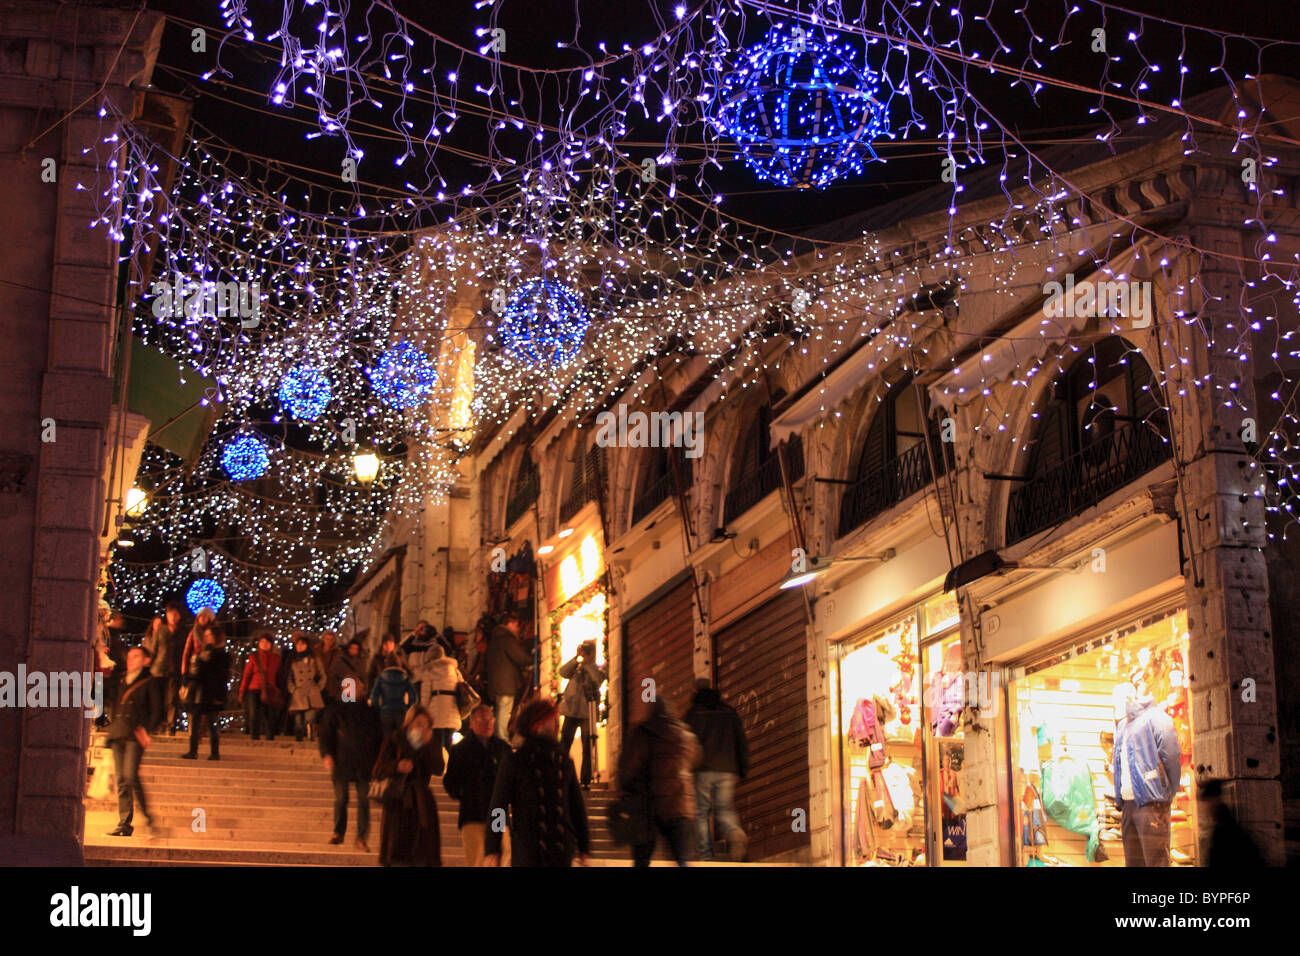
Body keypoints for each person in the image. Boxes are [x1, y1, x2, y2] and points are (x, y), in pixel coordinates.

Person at [484, 698, 589, 867]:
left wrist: (584, 845)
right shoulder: (515, 760)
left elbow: (576, 806)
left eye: (555, 720)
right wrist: (493, 846)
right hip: (529, 849)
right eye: (550, 719)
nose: (554, 725)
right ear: (535, 723)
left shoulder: (563, 760)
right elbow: (499, 807)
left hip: (559, 849)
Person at [619, 694, 701, 867]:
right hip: (680, 804)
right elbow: (695, 759)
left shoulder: (643, 732)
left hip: (649, 805)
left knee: (642, 860)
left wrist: (626, 788)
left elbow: (630, 766)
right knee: (682, 860)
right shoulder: (685, 735)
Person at [1112, 677, 1182, 867]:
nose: (1114, 704)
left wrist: (1166, 793)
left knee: (1156, 861)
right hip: (1128, 804)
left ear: (1130, 697)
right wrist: (1119, 798)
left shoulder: (1156, 718)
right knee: (1134, 863)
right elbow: (1118, 765)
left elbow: (1172, 757)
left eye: (1117, 699)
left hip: (1152, 802)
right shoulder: (1121, 727)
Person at [684, 678, 751, 861]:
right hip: (728, 769)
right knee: (725, 809)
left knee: (702, 812)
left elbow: (686, 744)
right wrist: (743, 768)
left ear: (695, 691)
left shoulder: (693, 714)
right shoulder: (729, 713)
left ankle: (705, 854)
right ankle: (734, 832)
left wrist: (684, 769)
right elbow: (741, 742)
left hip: (703, 770)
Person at [372, 706, 444, 866]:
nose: (422, 728)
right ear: (409, 723)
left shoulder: (430, 743)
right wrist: (397, 766)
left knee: (423, 851)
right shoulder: (395, 739)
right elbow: (377, 770)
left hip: (422, 803)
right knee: (398, 850)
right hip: (398, 801)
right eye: (418, 723)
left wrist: (430, 745)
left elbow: (438, 768)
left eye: (426, 725)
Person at [444, 704, 512, 866]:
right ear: (472, 723)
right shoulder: (460, 750)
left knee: (502, 851)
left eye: (490, 719)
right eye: (483, 719)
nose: (488, 723)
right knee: (477, 856)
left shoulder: (502, 749)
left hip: (497, 812)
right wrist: (464, 793)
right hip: (472, 812)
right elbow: (450, 781)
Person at [106, 647, 159, 836]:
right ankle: (124, 823)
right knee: (121, 779)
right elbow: (107, 695)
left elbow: (156, 710)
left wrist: (147, 730)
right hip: (118, 732)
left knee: (130, 775)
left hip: (135, 734)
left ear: (146, 660)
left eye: (136, 656)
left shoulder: (149, 681)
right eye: (129, 656)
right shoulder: (120, 679)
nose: (131, 660)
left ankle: (146, 813)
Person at [318, 695, 383, 851]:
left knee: (364, 801)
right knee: (341, 798)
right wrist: (327, 754)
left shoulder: (370, 711)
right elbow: (326, 733)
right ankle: (338, 832)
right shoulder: (335, 709)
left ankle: (361, 838)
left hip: (364, 764)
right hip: (341, 762)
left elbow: (378, 736)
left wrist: (379, 762)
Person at [558, 639, 605, 788]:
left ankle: (586, 780)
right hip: (571, 712)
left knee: (587, 747)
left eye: (588, 650)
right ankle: (560, 776)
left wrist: (588, 664)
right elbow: (563, 672)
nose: (586, 653)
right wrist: (576, 657)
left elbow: (597, 679)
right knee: (564, 745)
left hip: (587, 713)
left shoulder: (598, 668)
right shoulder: (576, 667)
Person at [181, 624, 229, 760]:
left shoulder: (221, 655)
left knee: (211, 723)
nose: (207, 638)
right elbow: (195, 671)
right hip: (198, 692)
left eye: (210, 635)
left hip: (211, 693)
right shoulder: (202, 652)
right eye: (205, 635)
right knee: (195, 722)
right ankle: (192, 750)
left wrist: (202, 664)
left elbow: (219, 675)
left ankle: (214, 752)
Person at [485, 612, 531, 742]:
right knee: (503, 716)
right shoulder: (506, 639)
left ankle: (496, 741)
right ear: (509, 624)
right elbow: (520, 658)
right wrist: (532, 659)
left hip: (496, 684)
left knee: (499, 714)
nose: (518, 629)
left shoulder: (495, 638)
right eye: (516, 625)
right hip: (505, 685)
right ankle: (502, 742)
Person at [141, 602, 186, 734]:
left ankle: (171, 725)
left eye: (175, 614)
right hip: (158, 669)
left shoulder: (182, 632)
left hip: (174, 669)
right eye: (170, 614)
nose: (173, 616)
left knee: (172, 699)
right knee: (158, 699)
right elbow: (154, 648)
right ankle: (158, 724)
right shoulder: (161, 630)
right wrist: (149, 662)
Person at [1200, 779, 1265, 868]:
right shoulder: (1224, 824)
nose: (1204, 809)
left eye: (1206, 802)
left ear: (1214, 800)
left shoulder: (1223, 830)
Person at [423, 645, 466, 765]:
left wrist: (423, 712)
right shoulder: (454, 670)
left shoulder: (429, 671)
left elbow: (425, 695)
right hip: (452, 710)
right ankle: (452, 768)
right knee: (449, 744)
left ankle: (439, 768)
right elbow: (462, 687)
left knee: (437, 744)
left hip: (435, 712)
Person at [239, 633, 284, 740]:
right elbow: (247, 675)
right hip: (254, 689)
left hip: (270, 690)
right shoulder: (254, 657)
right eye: (262, 642)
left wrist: (278, 690)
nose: (264, 644)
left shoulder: (276, 658)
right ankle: (255, 737)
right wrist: (242, 691)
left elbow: (280, 675)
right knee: (254, 714)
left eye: (267, 642)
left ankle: (270, 737)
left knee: (270, 716)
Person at [286, 633, 326, 742]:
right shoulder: (292, 660)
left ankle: (310, 735)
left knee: (310, 718)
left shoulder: (314, 659)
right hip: (298, 693)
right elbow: (289, 677)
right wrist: (293, 689)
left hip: (312, 692)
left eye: (302, 644)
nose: (300, 647)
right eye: (297, 645)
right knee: (299, 720)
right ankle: (299, 738)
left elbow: (323, 674)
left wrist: (318, 687)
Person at [369, 654, 415, 737]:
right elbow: (413, 697)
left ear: (387, 664)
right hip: (401, 711)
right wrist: (408, 708)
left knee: (386, 738)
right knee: (401, 738)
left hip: (386, 711)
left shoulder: (381, 678)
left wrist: (378, 709)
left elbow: (374, 696)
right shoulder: (406, 678)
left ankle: (384, 749)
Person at [178, 607, 217, 685]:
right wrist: (184, 672)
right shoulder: (193, 632)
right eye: (200, 616)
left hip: (209, 669)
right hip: (195, 668)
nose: (202, 619)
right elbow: (186, 652)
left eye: (205, 616)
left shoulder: (215, 632)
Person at [327, 637, 367, 703]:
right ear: (348, 648)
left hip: (357, 694)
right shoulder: (340, 661)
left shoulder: (361, 662)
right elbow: (332, 676)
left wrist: (364, 690)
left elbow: (363, 677)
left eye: (356, 649)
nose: (354, 650)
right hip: (343, 693)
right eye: (352, 648)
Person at [317, 631, 342, 702]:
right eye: (327, 639)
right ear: (323, 639)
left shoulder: (337, 652)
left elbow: (337, 666)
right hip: (318, 680)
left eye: (331, 639)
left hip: (331, 683)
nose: (329, 641)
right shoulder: (316, 650)